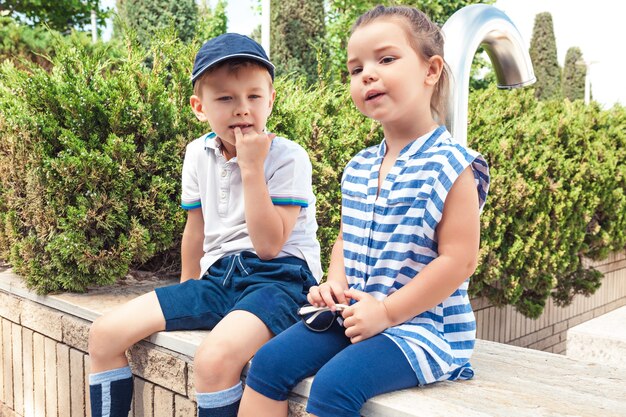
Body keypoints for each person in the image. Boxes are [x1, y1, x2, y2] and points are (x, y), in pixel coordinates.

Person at [238, 5, 490, 417]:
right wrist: (333, 284)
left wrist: (387, 312)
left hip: (420, 328)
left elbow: (459, 261)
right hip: (355, 311)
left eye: (386, 59)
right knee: (268, 363)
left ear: (431, 70)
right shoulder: (359, 167)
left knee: (336, 385)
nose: (367, 74)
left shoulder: (453, 165)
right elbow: (346, 238)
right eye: (356, 69)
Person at [87, 33, 322, 417]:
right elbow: (194, 230)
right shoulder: (198, 154)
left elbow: (269, 246)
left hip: (280, 281)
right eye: (226, 98)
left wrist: (251, 166)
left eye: (254, 96)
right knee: (104, 334)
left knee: (213, 360)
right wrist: (185, 293)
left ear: (271, 100)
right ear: (200, 107)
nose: (242, 110)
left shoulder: (287, 157)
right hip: (218, 279)